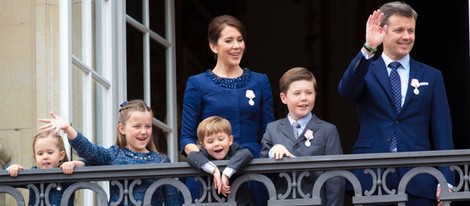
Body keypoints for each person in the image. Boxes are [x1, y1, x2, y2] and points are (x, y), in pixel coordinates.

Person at [338, 1, 454, 205]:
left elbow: (442, 130)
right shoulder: (367, 69)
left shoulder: (432, 75)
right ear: (382, 31)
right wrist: (368, 48)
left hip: (419, 178)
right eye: (399, 30)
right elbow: (346, 90)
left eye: (411, 30)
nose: (407, 36)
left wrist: (447, 181)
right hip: (372, 177)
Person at [180, 14, 274, 205]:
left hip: (252, 168)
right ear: (214, 46)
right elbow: (186, 139)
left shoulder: (260, 81)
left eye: (240, 40)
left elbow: (269, 133)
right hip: (208, 173)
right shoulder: (197, 83)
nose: (236, 46)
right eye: (229, 40)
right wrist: (209, 164)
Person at [39, 99, 182, 206]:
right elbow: (90, 151)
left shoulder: (161, 160)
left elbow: (172, 199)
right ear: (122, 129)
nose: (143, 131)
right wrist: (68, 130)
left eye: (148, 126)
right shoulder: (114, 154)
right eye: (137, 126)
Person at [260, 67, 344, 206]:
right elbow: (263, 174)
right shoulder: (272, 129)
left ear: (315, 95)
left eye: (309, 93)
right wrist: (272, 152)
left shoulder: (328, 130)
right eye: (297, 93)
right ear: (283, 98)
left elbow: (335, 179)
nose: (304, 98)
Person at [186, 116, 254, 205]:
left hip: (241, 202)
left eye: (221, 139)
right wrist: (214, 171)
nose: (216, 144)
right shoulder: (204, 153)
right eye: (210, 142)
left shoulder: (233, 149)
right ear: (203, 145)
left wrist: (226, 173)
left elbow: (246, 153)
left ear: (230, 140)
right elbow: (191, 156)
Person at [5, 130, 84, 205]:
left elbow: (91, 164)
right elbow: (4, 179)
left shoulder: (67, 173)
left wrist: (73, 164)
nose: (45, 157)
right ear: (35, 157)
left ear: (61, 155)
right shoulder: (33, 174)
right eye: (40, 154)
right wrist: (12, 168)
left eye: (50, 152)